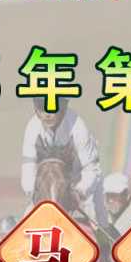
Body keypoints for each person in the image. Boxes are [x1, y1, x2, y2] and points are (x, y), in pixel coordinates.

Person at [21, 98, 108, 229]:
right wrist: (34, 194)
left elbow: (91, 169)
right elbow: (28, 171)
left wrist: (79, 192)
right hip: (45, 183)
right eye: (42, 108)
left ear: (63, 108)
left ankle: (104, 237)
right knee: (26, 220)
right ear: (36, 109)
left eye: (52, 109)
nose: (47, 114)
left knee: (97, 216)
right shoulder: (32, 127)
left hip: (79, 180)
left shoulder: (78, 126)